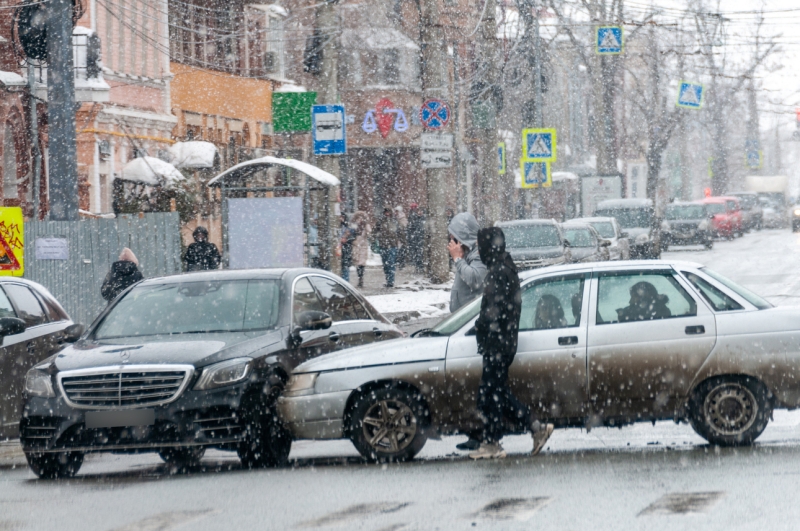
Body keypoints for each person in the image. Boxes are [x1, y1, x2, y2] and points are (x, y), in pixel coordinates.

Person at [469, 227, 554, 460]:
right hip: (503, 342)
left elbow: (492, 311)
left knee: (491, 394)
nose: (478, 249)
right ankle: (534, 428)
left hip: (497, 344)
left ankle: (494, 442)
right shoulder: (505, 267)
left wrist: (481, 327)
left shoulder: (498, 272)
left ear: (488, 246)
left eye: (480, 245)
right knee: (495, 393)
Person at [448, 212, 489, 452]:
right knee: (472, 387)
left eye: (453, 235)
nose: (450, 240)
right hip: (463, 325)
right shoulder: (468, 254)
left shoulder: (477, 255)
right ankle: (476, 432)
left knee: (476, 386)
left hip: (473, 329)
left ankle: (481, 433)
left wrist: (457, 260)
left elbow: (475, 280)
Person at [373, 206, 401, 288]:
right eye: (386, 212)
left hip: (392, 245)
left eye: (388, 212)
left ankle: (391, 281)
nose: (387, 214)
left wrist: (402, 241)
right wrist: (374, 238)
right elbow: (375, 231)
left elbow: (400, 231)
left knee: (391, 263)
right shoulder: (380, 221)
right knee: (385, 264)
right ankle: (388, 280)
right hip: (383, 245)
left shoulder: (395, 221)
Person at [351, 211, 371, 288]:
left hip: (363, 246)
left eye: (361, 218)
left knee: (362, 264)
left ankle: (361, 278)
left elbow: (369, 233)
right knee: (357, 263)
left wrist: (366, 226)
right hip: (356, 246)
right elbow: (351, 233)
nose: (359, 220)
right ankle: (359, 278)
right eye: (358, 218)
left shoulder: (365, 225)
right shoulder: (354, 225)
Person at [407, 203, 425, 273]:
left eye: (421, 211)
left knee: (421, 254)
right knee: (417, 254)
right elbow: (410, 229)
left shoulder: (424, 219)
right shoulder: (414, 219)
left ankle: (421, 266)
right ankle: (418, 267)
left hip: (421, 239)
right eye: (418, 211)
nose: (419, 212)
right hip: (415, 239)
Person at [340, 213, 357, 282]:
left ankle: (345, 281)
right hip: (339, 249)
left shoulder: (349, 227)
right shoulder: (336, 226)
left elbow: (353, 237)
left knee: (345, 265)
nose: (340, 218)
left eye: (342, 217)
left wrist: (346, 240)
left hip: (346, 249)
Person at [395, 206, 409, 270]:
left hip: (401, 236)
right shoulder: (395, 218)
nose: (396, 212)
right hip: (396, 236)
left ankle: (401, 263)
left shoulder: (403, 218)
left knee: (401, 250)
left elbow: (404, 227)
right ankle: (398, 262)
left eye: (397, 211)